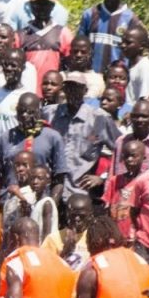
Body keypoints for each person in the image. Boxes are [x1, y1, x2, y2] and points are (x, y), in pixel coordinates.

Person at [45, 71, 120, 201]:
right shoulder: (50, 113)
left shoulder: (99, 118)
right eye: (69, 87)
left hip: (79, 193)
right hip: (50, 191)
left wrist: (103, 177)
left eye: (77, 88)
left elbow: (122, 150)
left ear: (85, 91)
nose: (72, 91)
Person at [0, 92, 67, 202]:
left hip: (40, 202)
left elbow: (60, 178)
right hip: (9, 202)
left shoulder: (53, 137)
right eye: (21, 111)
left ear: (39, 111)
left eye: (30, 112)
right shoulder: (6, 138)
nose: (24, 115)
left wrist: (51, 205)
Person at [76, 0, 144, 73]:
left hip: (117, 78)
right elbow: (78, 44)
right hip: (91, 76)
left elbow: (138, 51)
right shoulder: (90, 14)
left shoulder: (131, 19)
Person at [18, 0, 72, 85]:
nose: (41, 8)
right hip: (27, 90)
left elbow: (70, 64)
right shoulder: (21, 35)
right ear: (30, 6)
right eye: (37, 4)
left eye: (45, 4)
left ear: (53, 6)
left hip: (53, 91)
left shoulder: (63, 33)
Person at [103, 138, 145, 242]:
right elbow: (107, 208)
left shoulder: (145, 182)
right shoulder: (115, 180)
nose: (130, 159)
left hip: (134, 235)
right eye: (126, 156)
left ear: (143, 158)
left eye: (134, 156)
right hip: (115, 234)